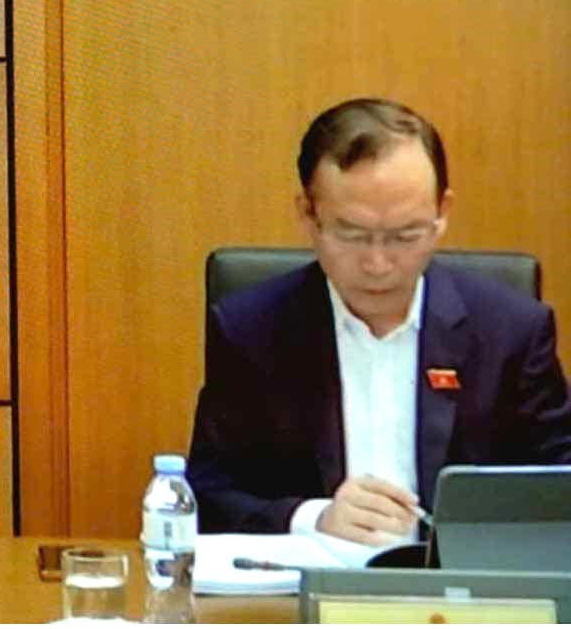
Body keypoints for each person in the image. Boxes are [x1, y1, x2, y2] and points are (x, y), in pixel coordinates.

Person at [188, 97, 571, 544]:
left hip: (464, 579)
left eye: (405, 236)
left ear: (442, 215)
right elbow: (206, 496)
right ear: (308, 216)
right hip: (315, 578)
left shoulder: (512, 331)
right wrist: (314, 518)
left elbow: (558, 487)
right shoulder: (250, 330)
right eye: (351, 234)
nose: (377, 264)